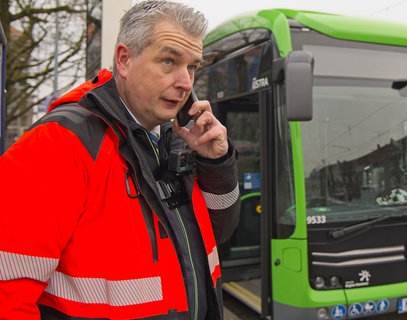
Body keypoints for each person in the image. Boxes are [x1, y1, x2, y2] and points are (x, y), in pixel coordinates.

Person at [0, 1, 240, 319]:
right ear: (124, 60)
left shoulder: (178, 138)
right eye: (169, 61)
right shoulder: (59, 143)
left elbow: (220, 234)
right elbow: (8, 296)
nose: (185, 83)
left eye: (192, 67)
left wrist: (216, 162)